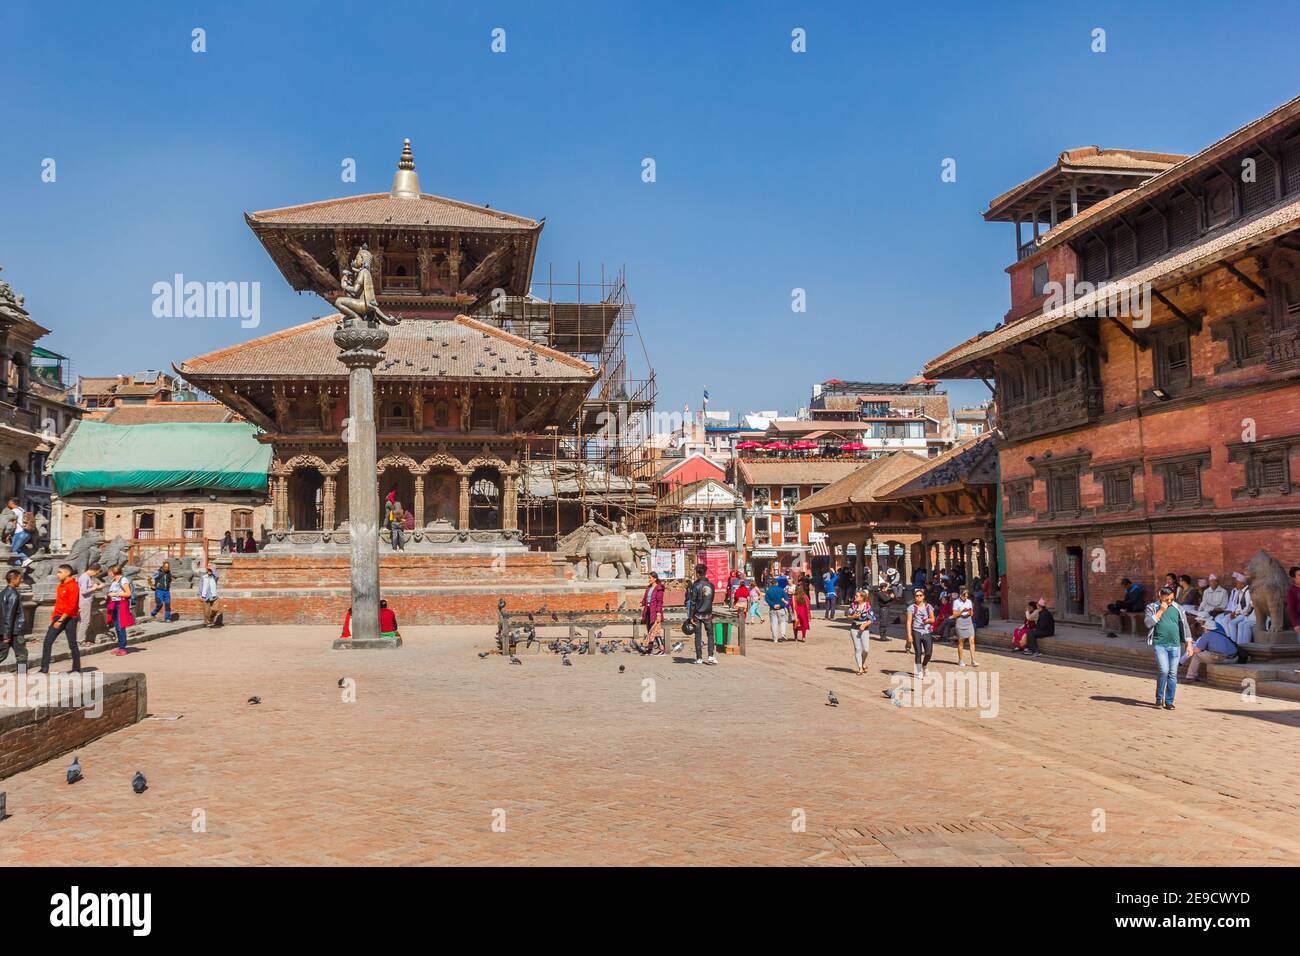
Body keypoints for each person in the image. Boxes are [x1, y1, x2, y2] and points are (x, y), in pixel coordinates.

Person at [1145, 585, 1189, 710]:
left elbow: (1185, 626)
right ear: (1160, 596)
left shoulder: (1178, 608)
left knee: (1173, 674)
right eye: (1167, 599)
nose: (1169, 602)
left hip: (1175, 645)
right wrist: (1161, 611)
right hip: (1160, 644)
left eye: (1172, 599)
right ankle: (1159, 698)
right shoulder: (1152, 607)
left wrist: (1188, 643)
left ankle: (1169, 701)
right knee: (1164, 670)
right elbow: (1148, 623)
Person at [38, 564, 81, 673]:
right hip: (58, 617)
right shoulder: (60, 586)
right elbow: (58, 604)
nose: (57, 574)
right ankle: (44, 668)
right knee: (47, 641)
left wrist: (61, 620)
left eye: (59, 572)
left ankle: (76, 668)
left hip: (70, 618)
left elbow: (71, 606)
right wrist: (54, 618)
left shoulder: (73, 586)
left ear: (67, 573)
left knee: (72, 644)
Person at [1184, 614, 1240, 682]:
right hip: (1235, 658)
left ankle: (1190, 676)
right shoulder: (1220, 633)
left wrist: (1189, 647)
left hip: (1223, 659)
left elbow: (1197, 650)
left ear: (1205, 627)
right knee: (1209, 654)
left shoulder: (1207, 634)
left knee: (1197, 656)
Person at [685, 563, 717, 665]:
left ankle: (699, 658)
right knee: (710, 635)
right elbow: (711, 599)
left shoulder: (695, 585)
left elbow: (692, 602)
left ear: (698, 573)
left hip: (697, 614)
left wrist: (690, 616)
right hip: (708, 613)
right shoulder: (711, 586)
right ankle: (711, 656)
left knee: (698, 635)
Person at [104, 565, 134, 656]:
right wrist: (108, 595)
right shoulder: (114, 581)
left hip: (121, 604)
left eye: (109, 572)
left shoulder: (123, 580)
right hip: (114, 604)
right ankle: (120, 646)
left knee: (121, 626)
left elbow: (128, 593)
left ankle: (123, 648)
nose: (108, 574)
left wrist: (115, 594)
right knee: (117, 626)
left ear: (113, 572)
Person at [906, 588, 935, 677]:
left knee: (928, 653)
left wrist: (928, 621)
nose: (918, 597)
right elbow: (908, 622)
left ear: (923, 597)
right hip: (916, 631)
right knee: (918, 652)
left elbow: (933, 619)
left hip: (927, 631)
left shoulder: (928, 607)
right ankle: (919, 671)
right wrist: (909, 635)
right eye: (917, 596)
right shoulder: (911, 608)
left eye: (920, 595)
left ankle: (924, 665)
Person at [0, 568, 26, 667]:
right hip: (14, 631)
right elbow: (9, 615)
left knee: (2, 654)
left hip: (5, 630)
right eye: (19, 578)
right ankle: (22, 676)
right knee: (22, 655)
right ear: (13, 579)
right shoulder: (13, 594)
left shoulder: (3, 593)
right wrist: (7, 635)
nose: (21, 580)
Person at [846, 590, 874, 675]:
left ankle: (863, 663)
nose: (855, 597)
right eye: (855, 595)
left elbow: (872, 619)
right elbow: (848, 615)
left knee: (866, 649)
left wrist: (865, 625)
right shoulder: (853, 605)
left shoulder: (867, 606)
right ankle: (860, 668)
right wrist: (853, 616)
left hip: (864, 629)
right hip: (854, 628)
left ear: (862, 597)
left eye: (857, 596)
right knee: (857, 649)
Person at [1223, 571, 1255, 643]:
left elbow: (1248, 608)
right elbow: (1239, 606)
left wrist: (1237, 614)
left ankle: (1235, 643)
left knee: (1232, 623)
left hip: (1246, 614)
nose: (1236, 584)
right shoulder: (1241, 592)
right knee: (1226, 619)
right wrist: (1235, 612)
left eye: (1237, 583)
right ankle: (1231, 640)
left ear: (1242, 584)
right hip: (1241, 613)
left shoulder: (1247, 592)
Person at [76, 563, 104, 645]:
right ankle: (81, 640)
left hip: (86, 601)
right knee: (85, 621)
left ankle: (80, 639)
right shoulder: (85, 577)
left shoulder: (88, 577)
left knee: (83, 621)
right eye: (97, 572)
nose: (97, 574)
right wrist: (94, 588)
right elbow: (84, 591)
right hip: (84, 601)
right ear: (94, 570)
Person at [640, 572, 666, 655]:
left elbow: (659, 602)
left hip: (655, 611)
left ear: (655, 579)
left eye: (650, 578)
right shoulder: (648, 588)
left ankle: (662, 650)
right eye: (648, 578)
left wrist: (658, 613)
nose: (649, 579)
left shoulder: (659, 588)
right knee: (650, 631)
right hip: (647, 611)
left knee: (655, 631)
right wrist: (642, 603)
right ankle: (650, 649)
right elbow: (645, 598)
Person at [951, 585, 977, 666]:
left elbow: (972, 613)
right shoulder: (956, 602)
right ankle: (960, 660)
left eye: (967, 595)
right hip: (960, 621)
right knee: (961, 641)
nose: (966, 597)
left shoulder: (969, 602)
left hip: (968, 621)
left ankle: (973, 660)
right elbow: (954, 615)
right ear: (961, 594)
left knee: (972, 641)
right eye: (964, 595)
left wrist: (970, 612)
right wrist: (962, 611)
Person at [764, 573, 791, 643]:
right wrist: (781, 605)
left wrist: (773, 605)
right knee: (782, 622)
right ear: (777, 583)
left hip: (772, 609)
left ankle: (775, 639)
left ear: (771, 584)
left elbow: (767, 599)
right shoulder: (781, 590)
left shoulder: (768, 591)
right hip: (781, 609)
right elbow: (786, 599)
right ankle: (783, 635)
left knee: (774, 624)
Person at [7, 497, 32, 567]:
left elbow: (13, 524)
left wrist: (9, 534)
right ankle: (18, 564)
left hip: (19, 533)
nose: (8, 504)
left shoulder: (14, 511)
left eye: (9, 503)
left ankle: (25, 559)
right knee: (17, 549)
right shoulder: (22, 510)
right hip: (27, 533)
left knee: (13, 550)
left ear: (12, 503)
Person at [1288, 566, 1300, 631]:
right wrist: (1295, 624)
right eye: (1299, 575)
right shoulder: (1292, 591)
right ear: (1293, 578)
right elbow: (1291, 609)